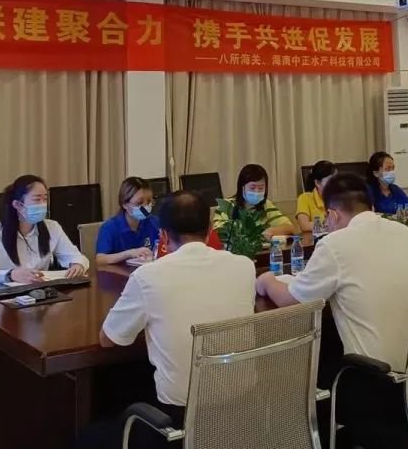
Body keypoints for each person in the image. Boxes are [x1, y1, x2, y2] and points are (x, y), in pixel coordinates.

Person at [256, 173, 408, 448]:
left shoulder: (335, 244)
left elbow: (291, 300)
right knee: (330, 341)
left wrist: (267, 280)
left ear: (332, 214)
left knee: (301, 375)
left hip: (379, 381)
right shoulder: (404, 232)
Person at [85, 191, 256, 449]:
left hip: (178, 420)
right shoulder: (244, 266)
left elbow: (108, 339)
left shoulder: (149, 276)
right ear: (210, 228)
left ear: (163, 234)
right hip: (240, 406)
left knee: (90, 435)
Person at [0, 174, 88, 288]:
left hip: (41, 293)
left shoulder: (52, 227)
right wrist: (10, 275)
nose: (43, 204)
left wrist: (78, 265)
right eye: (37, 199)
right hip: (7, 296)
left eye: (45, 199)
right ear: (18, 205)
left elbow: (77, 257)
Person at [212, 163, 295, 239]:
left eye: (261, 188)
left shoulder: (266, 205)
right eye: (252, 188)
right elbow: (218, 231)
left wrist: (271, 231)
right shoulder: (227, 205)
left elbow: (289, 227)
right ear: (242, 187)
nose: (257, 192)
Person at [95, 177, 159, 266]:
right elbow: (100, 259)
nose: (145, 207)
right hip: (120, 273)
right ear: (124, 204)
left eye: (149, 202)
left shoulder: (155, 222)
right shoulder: (109, 227)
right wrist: (129, 253)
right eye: (139, 203)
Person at [364, 151, 408, 215]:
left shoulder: (395, 189)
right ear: (376, 173)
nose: (392, 172)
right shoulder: (368, 190)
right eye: (388, 169)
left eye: (393, 168)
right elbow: (370, 214)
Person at [296, 160, 337, 233]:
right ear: (317, 183)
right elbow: (304, 225)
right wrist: (328, 225)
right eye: (331, 181)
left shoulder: (341, 198)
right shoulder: (305, 198)